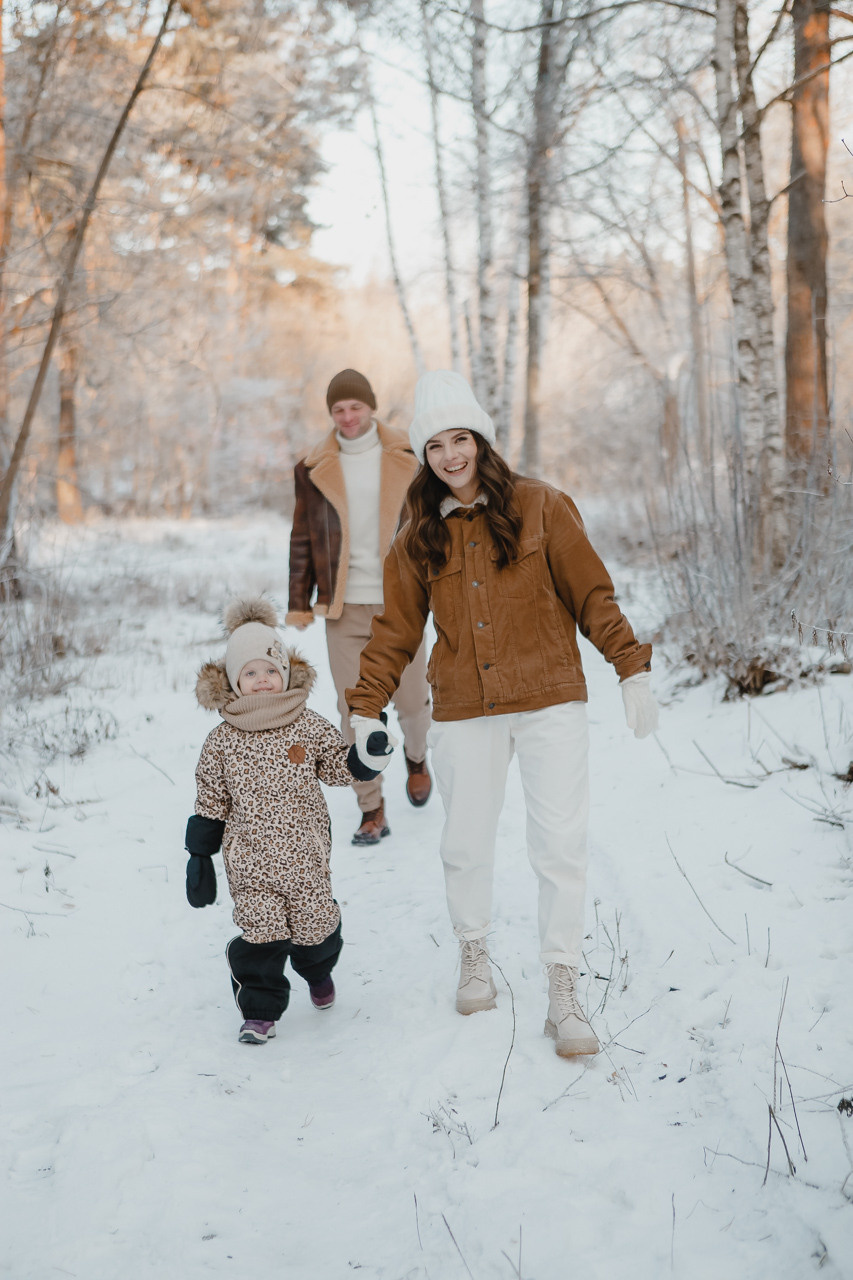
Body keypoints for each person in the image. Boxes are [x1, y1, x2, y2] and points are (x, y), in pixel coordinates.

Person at [346, 370, 659, 1059]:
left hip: (548, 700)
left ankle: (562, 988)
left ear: (481, 441)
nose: (451, 456)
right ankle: (473, 956)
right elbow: (394, 631)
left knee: (559, 847)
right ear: (424, 456)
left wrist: (629, 666)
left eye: (461, 439)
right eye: (436, 446)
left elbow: (592, 596)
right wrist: (365, 708)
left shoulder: (542, 507)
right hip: (462, 709)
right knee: (464, 844)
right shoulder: (417, 533)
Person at [184, 597, 384, 1045]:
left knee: (315, 933)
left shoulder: (306, 724)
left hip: (306, 860)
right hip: (250, 867)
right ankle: (259, 1012)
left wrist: (363, 761)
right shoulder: (222, 741)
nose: (262, 681)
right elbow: (210, 800)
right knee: (260, 939)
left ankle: (318, 973)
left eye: (270, 671)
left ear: (286, 673)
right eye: (250, 673)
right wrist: (200, 853)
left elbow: (335, 764)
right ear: (234, 682)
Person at [287, 368, 433, 846]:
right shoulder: (312, 469)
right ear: (331, 414)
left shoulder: (410, 457)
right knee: (355, 713)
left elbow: (435, 527)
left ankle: (416, 757)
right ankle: (372, 808)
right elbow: (303, 538)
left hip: (402, 603)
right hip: (344, 608)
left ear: (371, 407)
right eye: (338, 410)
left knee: (412, 702)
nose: (348, 417)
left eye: (355, 407)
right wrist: (299, 601)